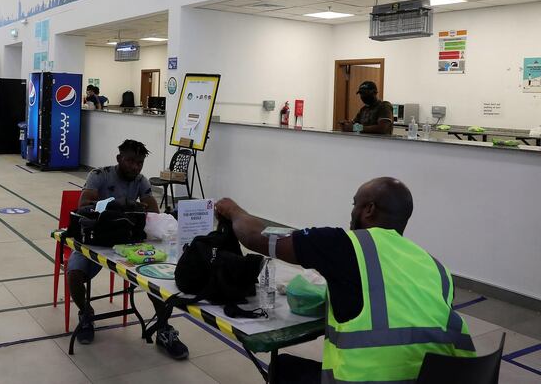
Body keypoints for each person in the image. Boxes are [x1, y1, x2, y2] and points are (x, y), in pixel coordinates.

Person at [215, 177, 475, 384]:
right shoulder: (434, 266)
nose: (351, 212)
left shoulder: (342, 245)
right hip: (438, 379)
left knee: (283, 369)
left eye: (355, 204)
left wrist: (233, 210)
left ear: (369, 210)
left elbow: (258, 237)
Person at [67, 139, 189, 360]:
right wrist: (117, 205)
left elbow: (152, 209)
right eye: (131, 161)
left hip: (128, 243)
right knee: (74, 274)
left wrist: (147, 211)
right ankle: (86, 313)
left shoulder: (140, 180)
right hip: (97, 239)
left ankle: (163, 329)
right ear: (119, 159)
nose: (135, 167)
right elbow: (83, 205)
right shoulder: (100, 175)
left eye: (140, 163)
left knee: (155, 282)